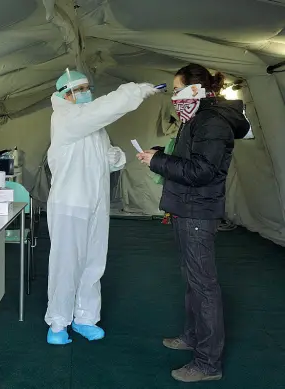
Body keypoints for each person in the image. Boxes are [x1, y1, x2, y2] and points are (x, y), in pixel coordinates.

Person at [137, 63, 249, 382]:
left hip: (198, 211)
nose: (175, 97)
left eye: (177, 90)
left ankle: (207, 363)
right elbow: (189, 159)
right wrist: (160, 154)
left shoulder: (212, 121)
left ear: (195, 89)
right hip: (187, 207)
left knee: (204, 286)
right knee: (192, 280)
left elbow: (200, 172)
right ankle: (193, 336)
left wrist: (158, 162)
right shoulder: (196, 116)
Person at [46, 69, 158, 345]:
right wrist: (133, 91)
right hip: (69, 204)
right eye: (78, 89)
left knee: (94, 262)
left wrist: (115, 157)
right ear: (65, 95)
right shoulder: (65, 117)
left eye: (87, 87)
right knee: (66, 265)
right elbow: (99, 111)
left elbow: (104, 158)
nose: (85, 92)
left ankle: (85, 317)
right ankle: (58, 323)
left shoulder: (93, 127)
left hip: (95, 203)